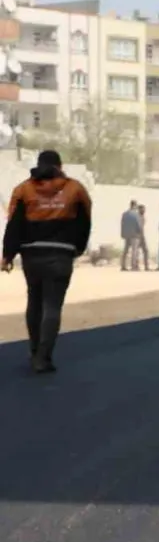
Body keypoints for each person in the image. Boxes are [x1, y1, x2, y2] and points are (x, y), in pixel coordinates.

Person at [2, 150, 93, 374]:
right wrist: (78, 248)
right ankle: (43, 357)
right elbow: (85, 221)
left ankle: (34, 351)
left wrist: (8, 255)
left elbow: (14, 224)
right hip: (61, 255)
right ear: (60, 166)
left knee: (34, 301)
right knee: (52, 305)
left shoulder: (24, 189)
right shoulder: (75, 189)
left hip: (32, 255)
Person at [120, 200, 142, 271]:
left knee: (125, 250)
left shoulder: (124, 214)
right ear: (134, 205)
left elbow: (122, 224)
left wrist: (122, 234)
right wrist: (140, 233)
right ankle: (134, 266)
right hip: (135, 235)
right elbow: (138, 225)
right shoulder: (136, 214)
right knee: (134, 251)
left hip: (126, 235)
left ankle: (123, 266)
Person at [136, 204, 151, 271]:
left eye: (144, 209)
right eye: (142, 209)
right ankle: (137, 266)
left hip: (142, 236)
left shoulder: (143, 217)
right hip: (137, 236)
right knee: (137, 252)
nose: (144, 210)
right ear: (139, 210)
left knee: (145, 251)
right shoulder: (137, 217)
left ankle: (146, 266)